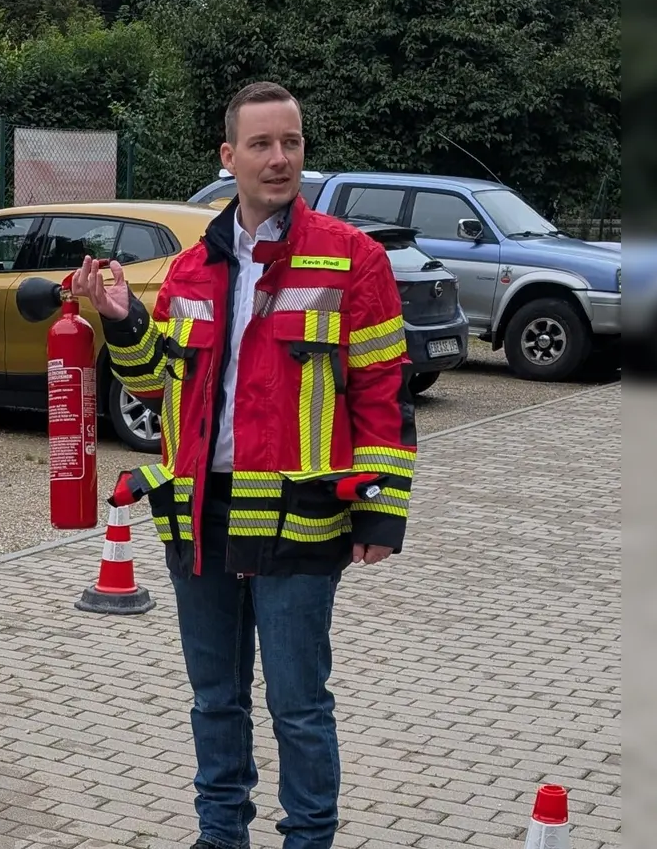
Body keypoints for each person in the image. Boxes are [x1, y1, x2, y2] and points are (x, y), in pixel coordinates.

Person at [70, 81, 416, 849]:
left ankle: (308, 840)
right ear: (229, 157)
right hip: (200, 519)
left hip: (302, 521)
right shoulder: (192, 268)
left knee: (299, 707)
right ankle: (220, 836)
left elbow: (383, 391)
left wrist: (381, 512)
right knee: (215, 701)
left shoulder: (352, 260)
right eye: (261, 144)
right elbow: (155, 385)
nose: (279, 158)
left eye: (291, 142)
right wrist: (122, 319)